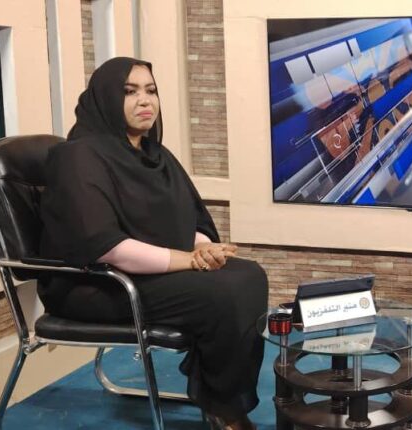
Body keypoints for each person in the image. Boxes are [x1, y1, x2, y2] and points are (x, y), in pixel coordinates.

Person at [38, 57, 267, 430]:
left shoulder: (154, 154)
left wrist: (202, 246)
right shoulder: (78, 156)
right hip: (95, 284)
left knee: (249, 276)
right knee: (223, 294)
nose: (145, 100)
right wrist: (189, 260)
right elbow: (107, 246)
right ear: (105, 97)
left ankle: (217, 390)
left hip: (143, 274)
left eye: (151, 90)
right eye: (129, 92)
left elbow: (185, 217)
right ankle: (226, 408)